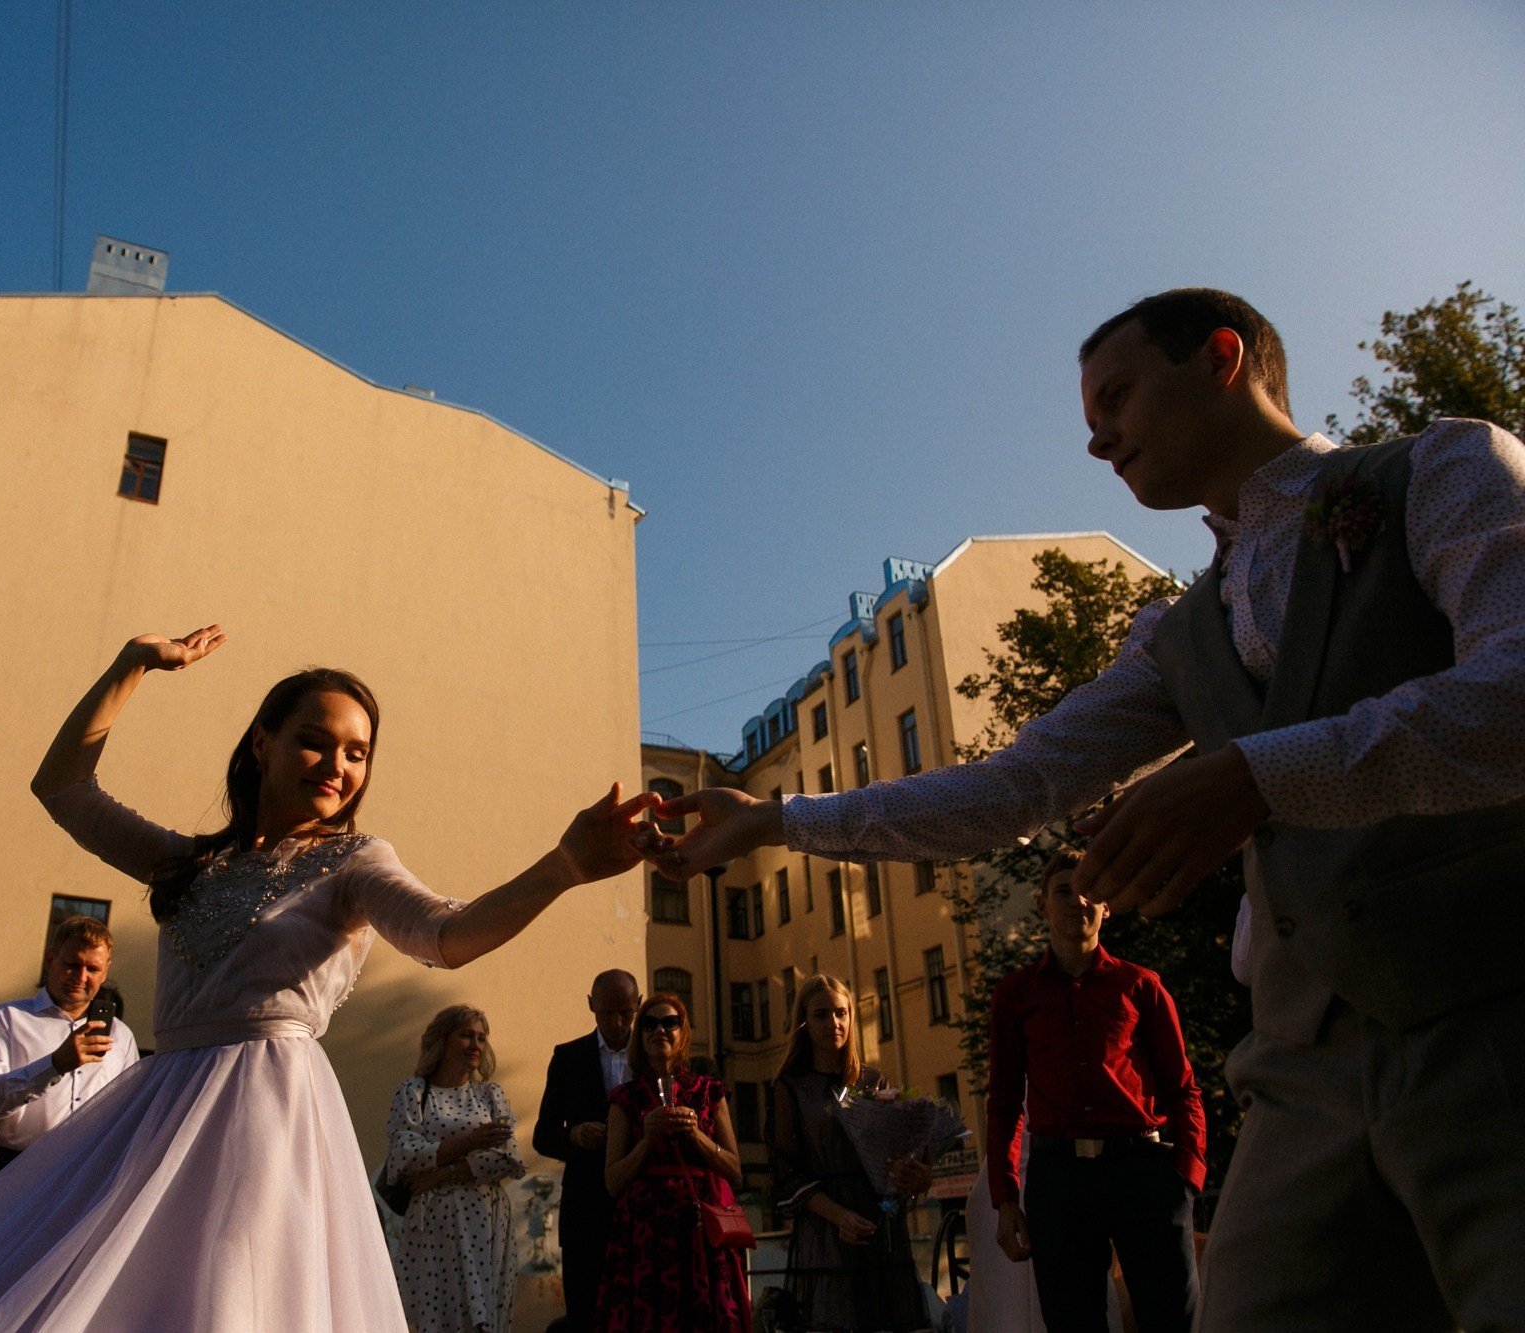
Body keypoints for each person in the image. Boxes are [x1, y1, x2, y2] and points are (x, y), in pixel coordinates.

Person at [641, 288, 1525, 1332]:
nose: (1097, 439)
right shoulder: (1180, 634)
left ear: (1222, 358)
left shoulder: (1445, 470)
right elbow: (1008, 790)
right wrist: (776, 819)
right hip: (1303, 1071)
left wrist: (1255, 774)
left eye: (1116, 397)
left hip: (1487, 1013)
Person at [0, 625, 656, 1331]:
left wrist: (566, 864)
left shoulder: (355, 862)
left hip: (266, 1108)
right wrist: (131, 666)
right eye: (316, 741)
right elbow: (62, 786)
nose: (339, 766)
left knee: (232, 1293)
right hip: (156, 1107)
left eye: (357, 751)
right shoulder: (189, 863)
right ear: (262, 742)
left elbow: (449, 935)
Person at [986, 854, 1203, 1333]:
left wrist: (1187, 1176)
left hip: (1143, 1173)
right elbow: (1003, 1100)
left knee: (1171, 1320)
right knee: (1072, 1323)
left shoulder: (1141, 985)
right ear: (1042, 905)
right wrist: (1005, 1198)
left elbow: (1182, 1087)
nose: (1077, 902)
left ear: (1107, 906)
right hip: (1060, 1180)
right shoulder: (1015, 995)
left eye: (1090, 892)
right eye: (1064, 891)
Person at [769, 973, 934, 1333]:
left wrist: (917, 1177)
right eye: (821, 1014)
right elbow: (786, 1173)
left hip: (878, 1226)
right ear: (803, 1022)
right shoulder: (791, 1086)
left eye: (841, 1013)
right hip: (827, 1230)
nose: (834, 1023)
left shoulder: (873, 1082)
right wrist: (839, 1216)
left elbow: (894, 1158)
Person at [597, 992, 749, 1332]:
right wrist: (647, 1140)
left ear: (683, 1032)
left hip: (701, 1228)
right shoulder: (625, 1099)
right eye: (650, 1024)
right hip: (646, 1232)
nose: (660, 1031)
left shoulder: (709, 1092)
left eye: (670, 1022)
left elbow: (734, 1169)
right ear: (640, 1035)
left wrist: (696, 1136)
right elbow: (612, 1181)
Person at [0, 915, 140, 1179]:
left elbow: (128, 1115)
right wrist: (53, 1065)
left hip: (88, 1176)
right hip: (18, 1172)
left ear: (106, 972)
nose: (81, 977)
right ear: (50, 959)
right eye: (72, 965)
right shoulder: (9, 1019)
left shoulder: (120, 1035)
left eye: (92, 969)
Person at [384, 1004, 527, 1333]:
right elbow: (404, 1155)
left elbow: (507, 1157)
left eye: (481, 1038)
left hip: (487, 1221)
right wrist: (471, 1142)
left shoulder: (490, 1095)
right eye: (466, 1035)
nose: (476, 1045)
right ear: (442, 1041)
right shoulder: (414, 1093)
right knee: (439, 1316)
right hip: (436, 1223)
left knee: (485, 1318)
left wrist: (440, 1172)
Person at [530, 967, 640, 1330]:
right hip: (586, 1209)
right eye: (607, 1013)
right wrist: (575, 1136)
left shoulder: (653, 1058)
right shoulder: (569, 1058)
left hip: (641, 1203)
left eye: (625, 1013)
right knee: (584, 1314)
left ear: (638, 1006)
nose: (617, 1023)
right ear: (591, 1005)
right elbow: (543, 1136)